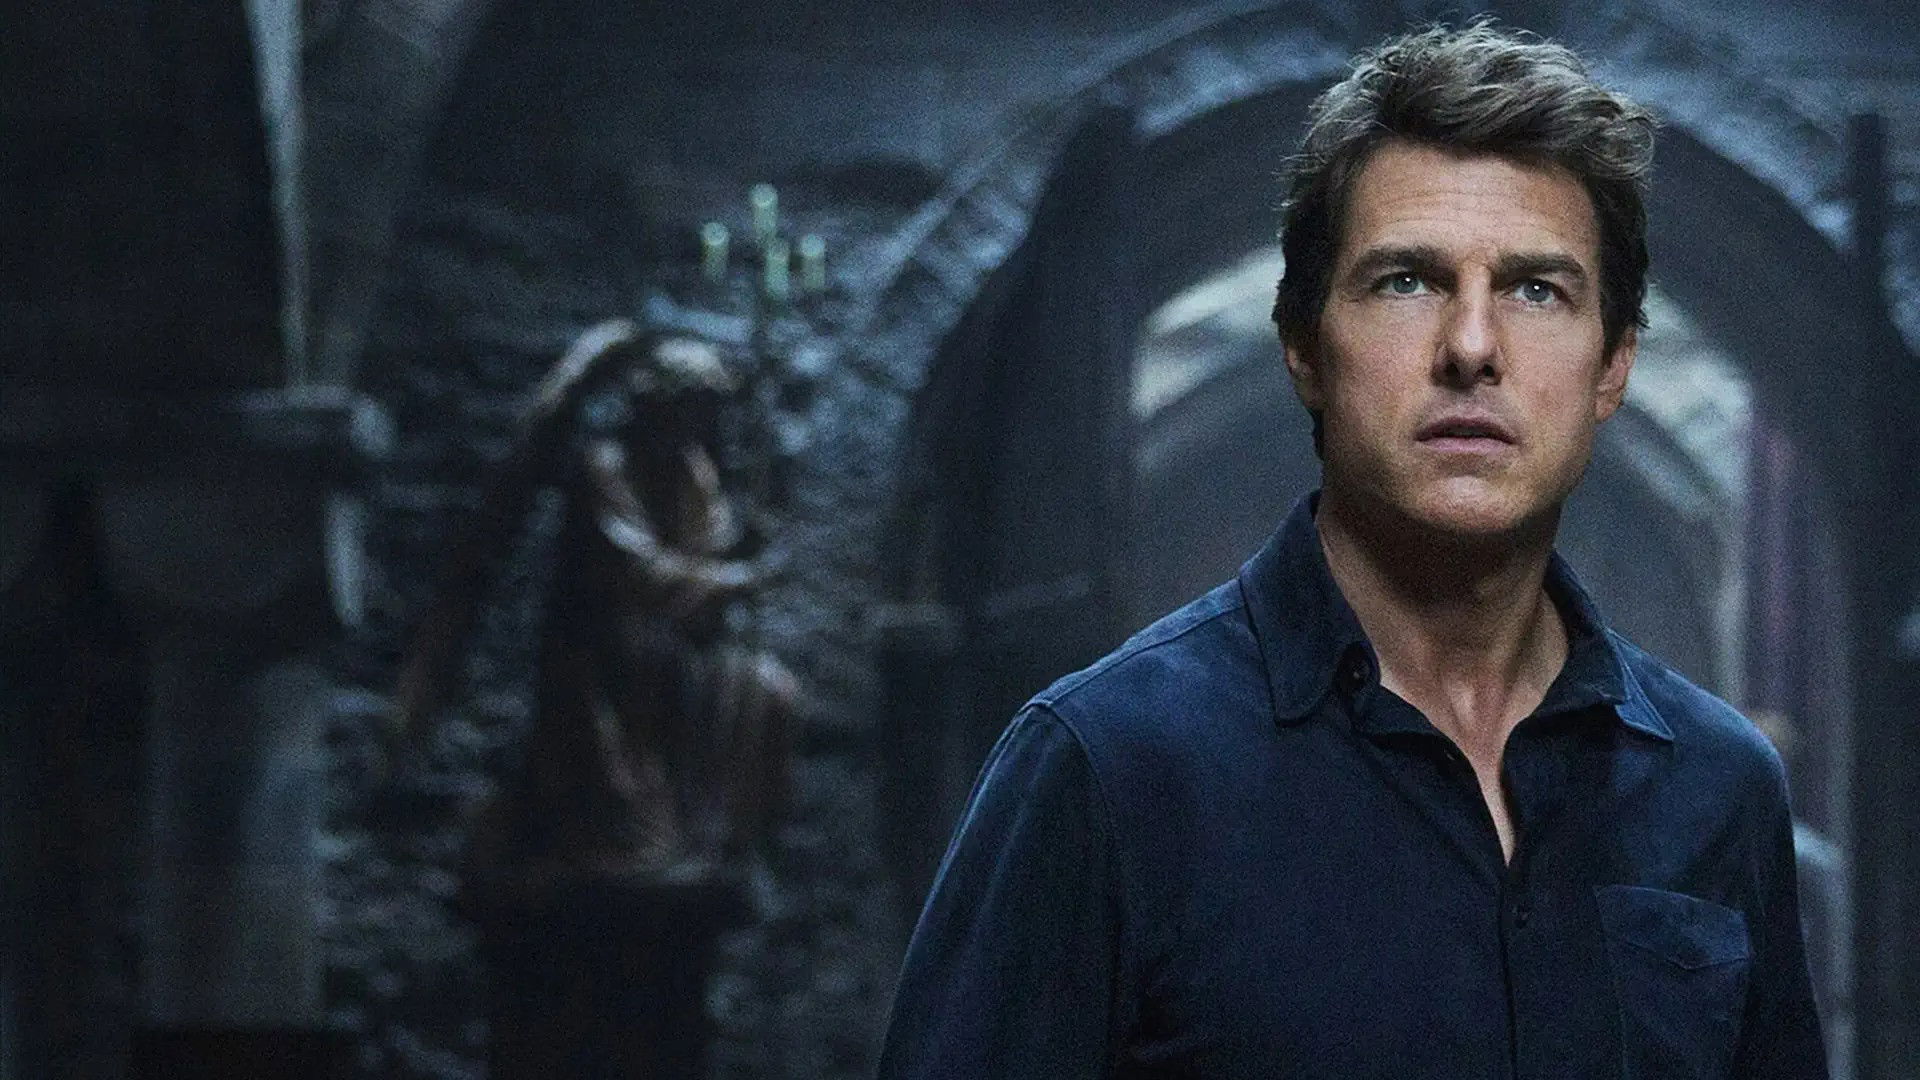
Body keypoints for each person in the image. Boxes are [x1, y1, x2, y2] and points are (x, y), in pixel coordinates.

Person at [876, 22, 1827, 1080]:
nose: (1472, 347)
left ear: (1612, 366)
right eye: (1407, 281)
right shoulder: (1105, 767)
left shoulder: (1716, 784)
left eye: (1536, 289)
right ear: (1304, 346)